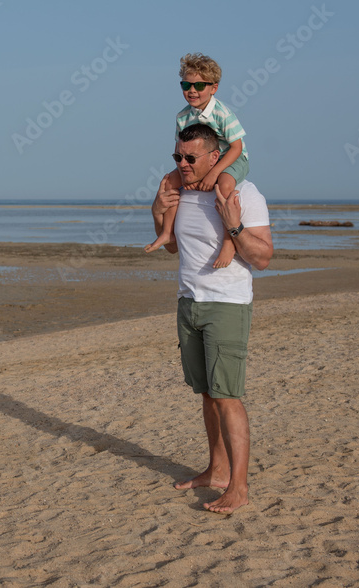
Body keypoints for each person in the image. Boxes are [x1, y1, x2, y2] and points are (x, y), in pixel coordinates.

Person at [151, 122, 272, 514]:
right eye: (177, 157)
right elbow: (172, 250)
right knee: (206, 393)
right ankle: (216, 470)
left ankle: (238, 487)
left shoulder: (244, 193)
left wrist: (233, 224)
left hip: (227, 304)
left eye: (190, 158)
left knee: (227, 396)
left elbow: (263, 258)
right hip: (189, 303)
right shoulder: (181, 193)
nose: (182, 164)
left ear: (215, 157)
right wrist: (157, 211)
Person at [145, 53, 250, 269]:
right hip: (198, 160)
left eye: (199, 85)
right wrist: (185, 174)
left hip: (231, 158)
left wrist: (213, 173)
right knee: (169, 182)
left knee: (224, 185)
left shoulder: (222, 113)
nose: (192, 90)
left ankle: (229, 242)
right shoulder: (182, 117)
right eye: (186, 84)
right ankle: (167, 233)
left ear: (214, 88)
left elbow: (237, 147)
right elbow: (179, 148)